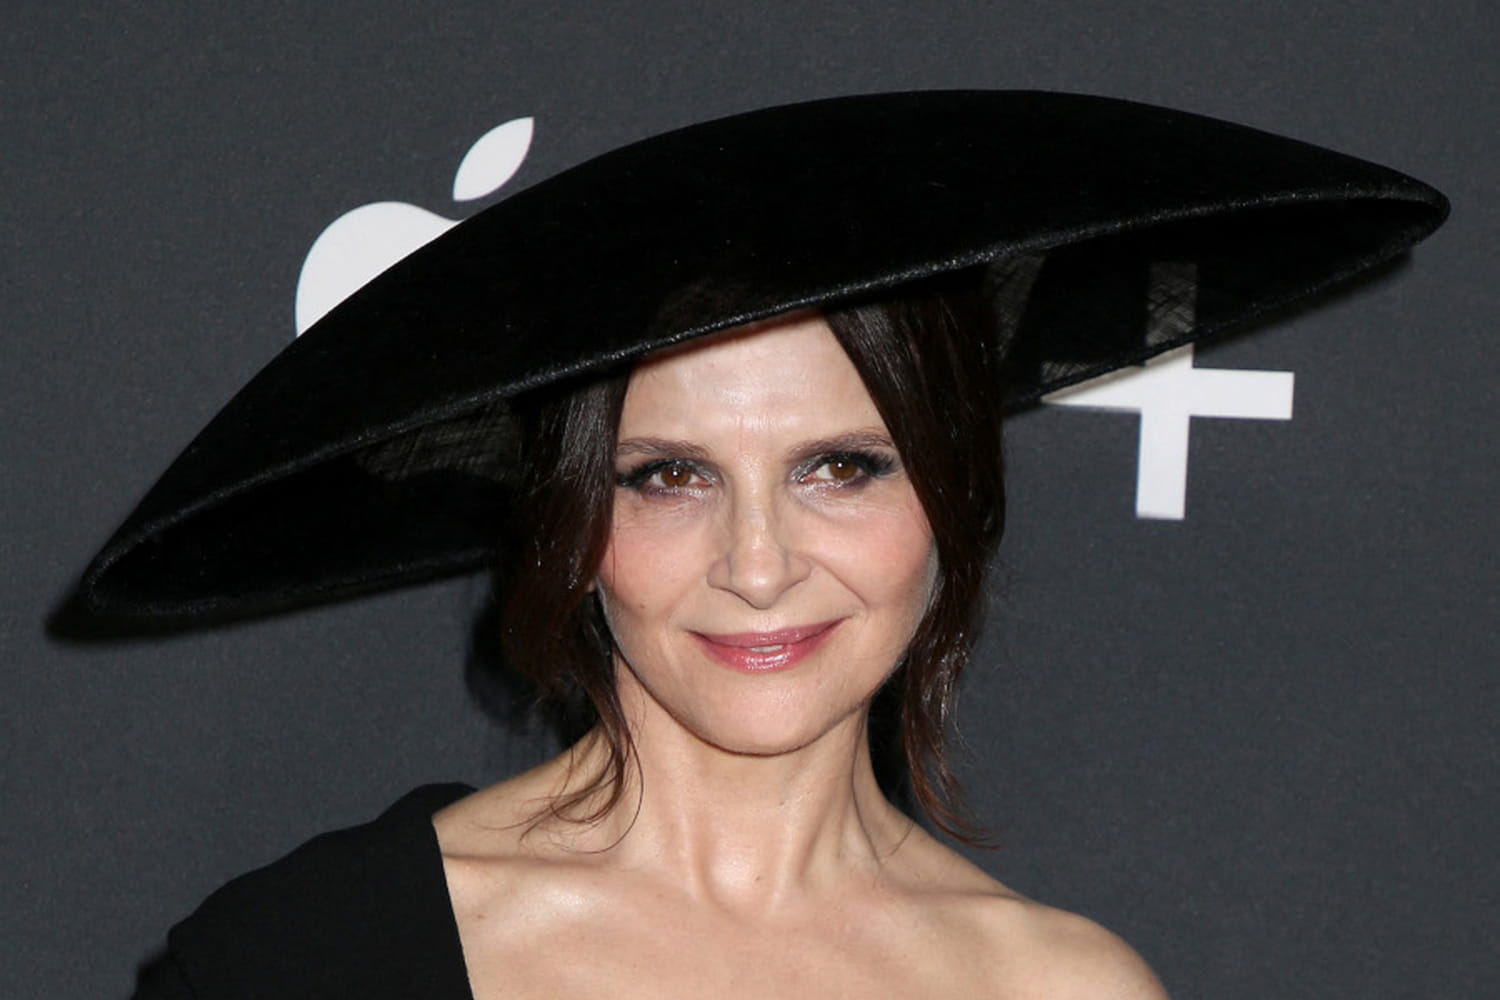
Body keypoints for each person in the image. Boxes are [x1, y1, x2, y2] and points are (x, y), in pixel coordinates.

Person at [75, 92, 1445, 998]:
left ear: (952, 495)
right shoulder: (311, 959)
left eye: (840, 468)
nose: (759, 562)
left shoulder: (1062, 991)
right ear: (574, 522)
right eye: (670, 477)